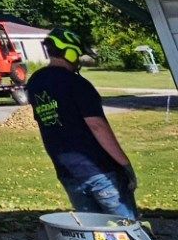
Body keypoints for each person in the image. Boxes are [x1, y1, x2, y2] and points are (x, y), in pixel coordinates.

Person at [27, 25, 139, 219]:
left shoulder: (36, 82)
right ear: (69, 53)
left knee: (95, 233)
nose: (78, 60)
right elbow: (97, 126)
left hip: (68, 173)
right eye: (77, 55)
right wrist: (125, 164)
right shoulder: (77, 83)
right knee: (126, 230)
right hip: (100, 172)